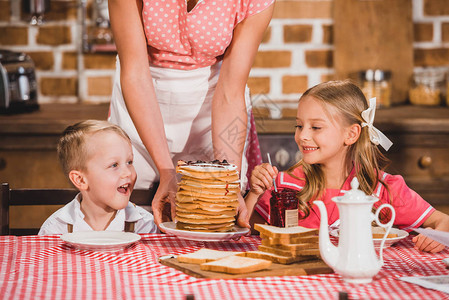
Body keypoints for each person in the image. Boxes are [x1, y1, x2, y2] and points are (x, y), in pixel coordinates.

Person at [107, 0, 275, 231]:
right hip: (142, 102)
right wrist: (166, 171)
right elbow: (135, 73)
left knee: (210, 211)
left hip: (212, 106)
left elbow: (230, 92)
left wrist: (228, 179)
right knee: (135, 215)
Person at [246, 80, 449, 253]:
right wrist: (255, 192)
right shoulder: (286, 186)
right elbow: (246, 227)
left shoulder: (383, 189)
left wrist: (437, 237)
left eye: (316, 127)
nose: (302, 135)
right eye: (299, 125)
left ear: (351, 134)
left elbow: (442, 221)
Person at [38, 120, 158, 235]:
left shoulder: (144, 225)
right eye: (114, 165)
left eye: (129, 162)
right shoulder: (56, 228)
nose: (127, 173)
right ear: (80, 180)